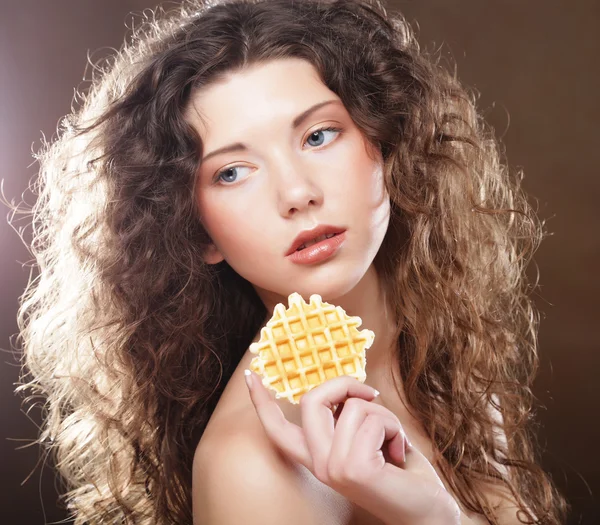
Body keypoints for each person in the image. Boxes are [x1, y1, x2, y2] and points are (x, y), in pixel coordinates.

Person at [9, 0, 569, 523]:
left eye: (320, 135)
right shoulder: (248, 465)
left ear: (388, 144)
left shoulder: (438, 344)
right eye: (231, 172)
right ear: (198, 231)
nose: (296, 193)